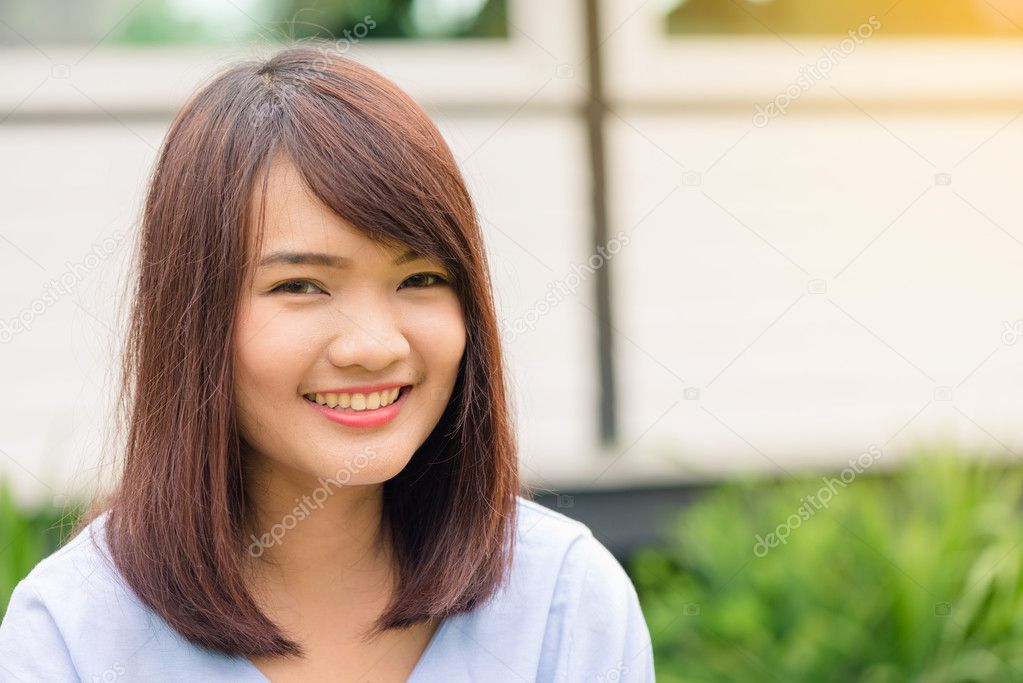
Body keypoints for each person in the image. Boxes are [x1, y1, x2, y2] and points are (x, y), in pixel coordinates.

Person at [0, 45, 655, 682]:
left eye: (421, 277)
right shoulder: (74, 631)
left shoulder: (562, 600)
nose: (373, 345)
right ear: (193, 320)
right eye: (302, 286)